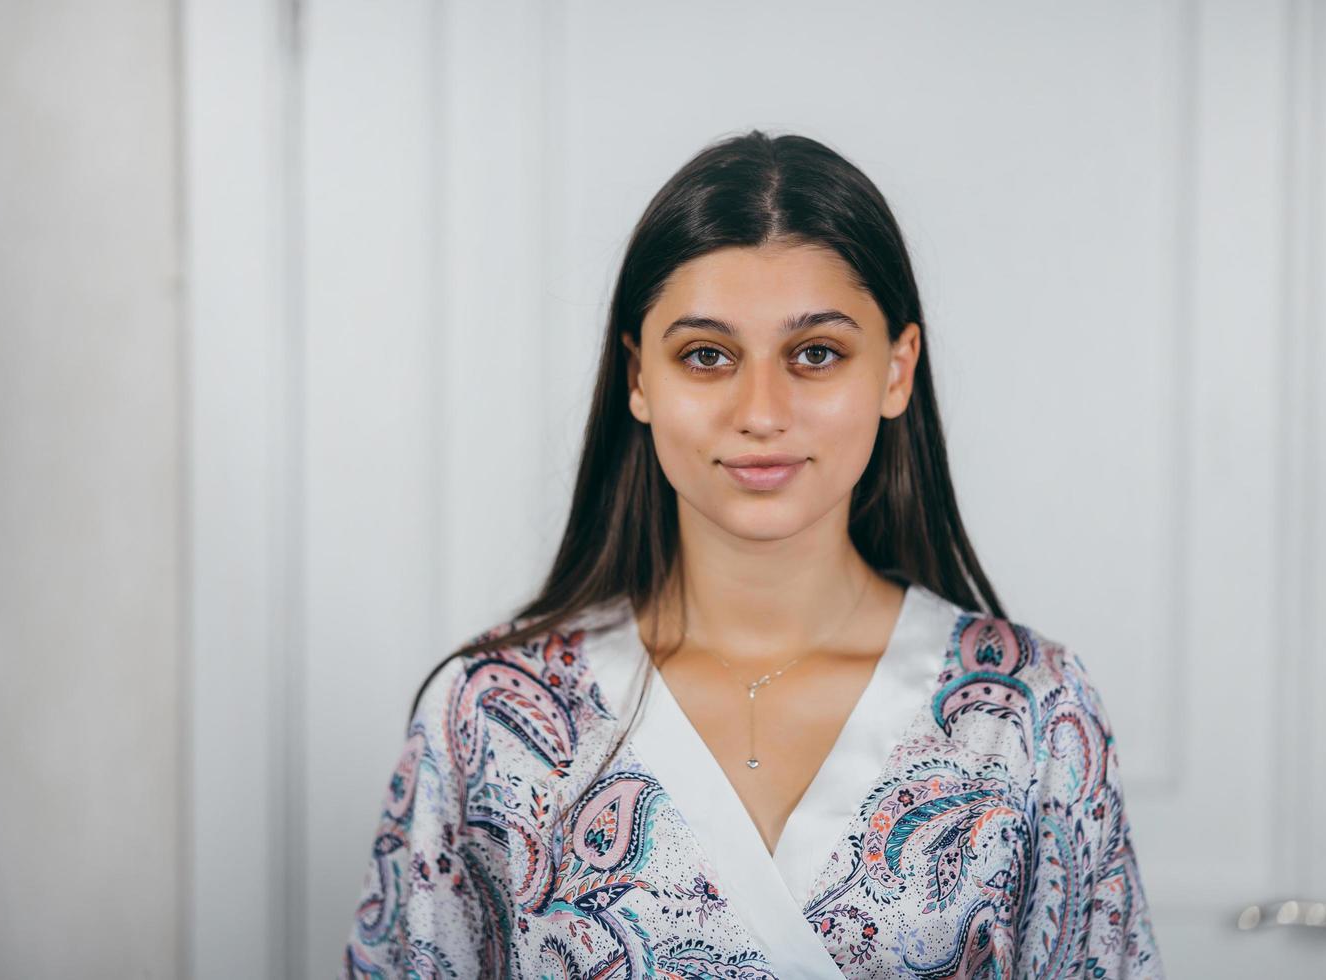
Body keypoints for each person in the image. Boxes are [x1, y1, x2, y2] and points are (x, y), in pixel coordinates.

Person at [339, 129, 1165, 979]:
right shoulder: (488, 718)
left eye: (816, 354)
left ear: (896, 369)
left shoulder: (1031, 714)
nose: (760, 411)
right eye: (707, 355)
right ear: (639, 378)